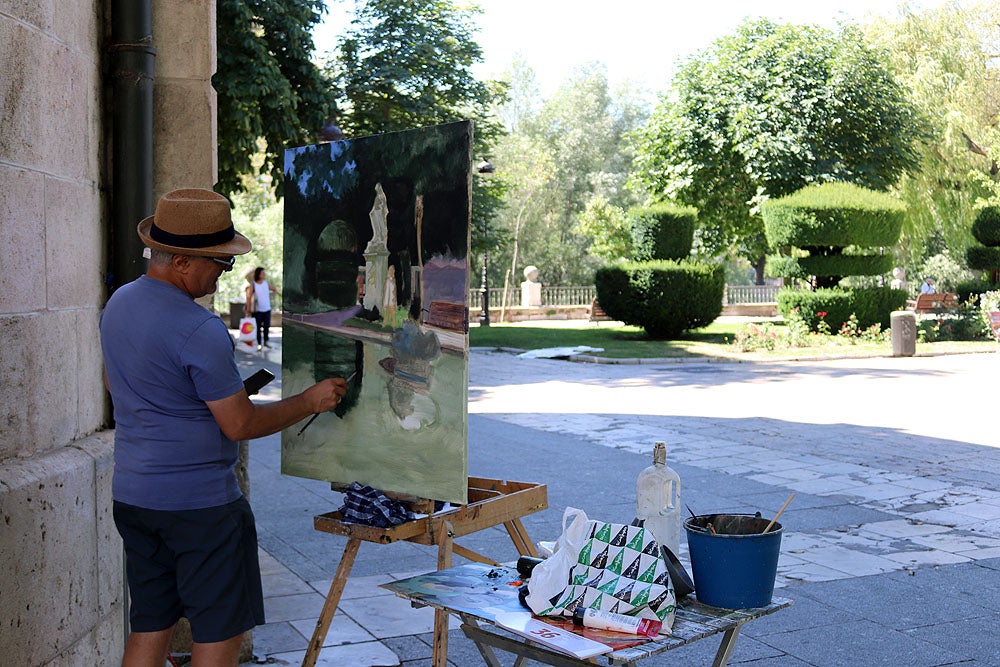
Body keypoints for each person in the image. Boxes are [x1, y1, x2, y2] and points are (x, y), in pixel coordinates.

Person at [99, 188, 349, 667]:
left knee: (150, 625)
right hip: (200, 508)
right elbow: (238, 424)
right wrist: (307, 401)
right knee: (218, 633)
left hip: (134, 496)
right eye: (220, 262)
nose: (224, 272)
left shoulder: (120, 303)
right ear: (182, 263)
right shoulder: (199, 328)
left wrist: (192, 403)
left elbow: (119, 382)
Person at [245, 266, 277, 350]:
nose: (264, 274)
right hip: (257, 310)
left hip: (267, 309)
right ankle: (259, 344)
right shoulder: (253, 285)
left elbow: (274, 289)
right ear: (258, 274)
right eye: (262, 273)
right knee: (258, 327)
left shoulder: (266, 283)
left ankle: (266, 341)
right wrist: (248, 310)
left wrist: (271, 297)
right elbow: (248, 297)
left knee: (266, 326)